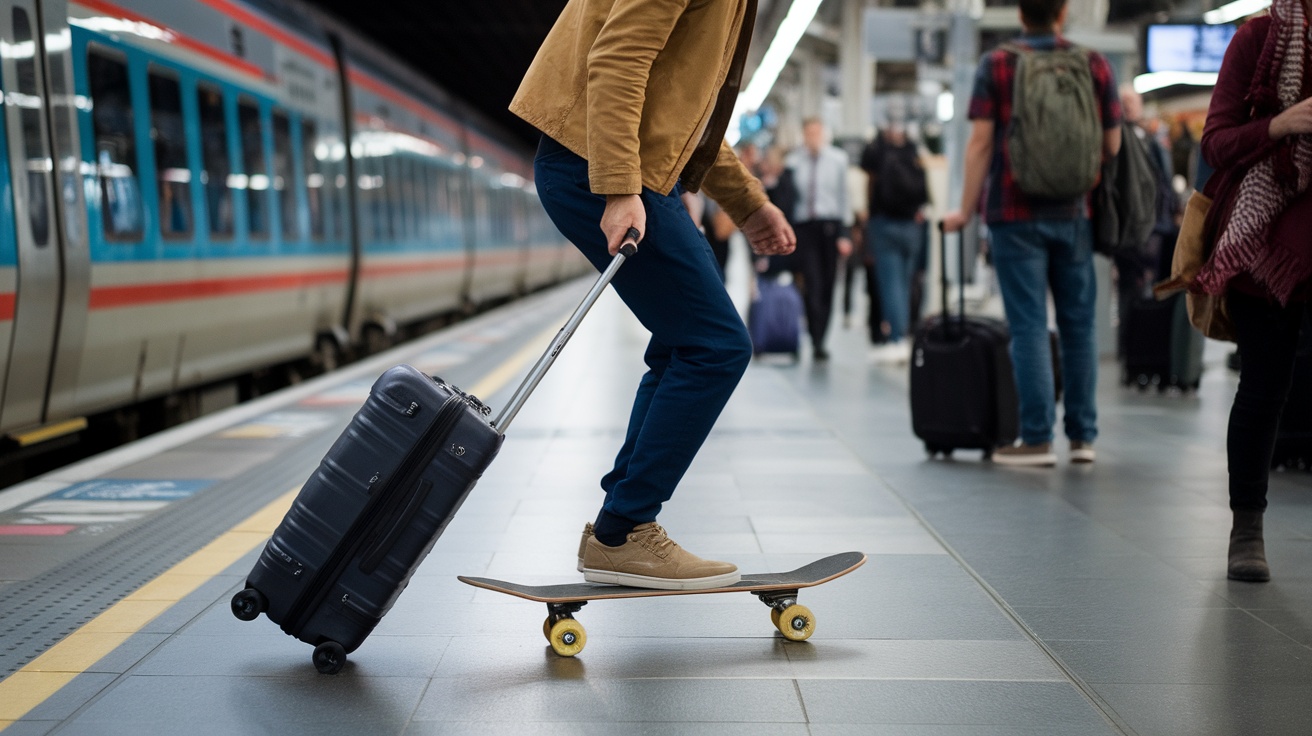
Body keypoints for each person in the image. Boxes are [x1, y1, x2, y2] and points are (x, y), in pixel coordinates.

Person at [510, 0, 796, 590]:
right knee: (715, 345)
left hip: (620, 163)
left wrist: (748, 201)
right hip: (598, 164)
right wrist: (618, 189)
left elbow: (680, 114)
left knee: (682, 343)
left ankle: (619, 530)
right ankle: (625, 530)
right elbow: (617, 58)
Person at [942, 0, 1122, 467]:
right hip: (1074, 212)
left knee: (1028, 327)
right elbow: (1113, 144)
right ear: (1062, 13)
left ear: (1022, 14)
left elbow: (980, 144)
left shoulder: (999, 63)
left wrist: (963, 210)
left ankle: (1037, 438)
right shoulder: (1093, 63)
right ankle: (1082, 438)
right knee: (1079, 326)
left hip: (1012, 211)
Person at [1191, 0, 1312, 582]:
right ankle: (1247, 529)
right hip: (1263, 246)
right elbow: (1215, 143)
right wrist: (1281, 125)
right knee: (1265, 385)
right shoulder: (1258, 37)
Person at [786, 118, 854, 361]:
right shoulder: (794, 162)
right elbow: (789, 198)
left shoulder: (838, 160)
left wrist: (845, 233)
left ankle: (821, 337)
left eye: (817, 132)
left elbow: (845, 196)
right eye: (809, 133)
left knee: (828, 284)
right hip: (805, 228)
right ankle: (814, 335)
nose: (813, 137)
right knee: (812, 282)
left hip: (830, 227)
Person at [862, 124, 930, 363]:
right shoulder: (913, 152)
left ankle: (897, 338)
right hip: (912, 226)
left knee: (891, 285)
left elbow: (869, 186)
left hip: (885, 225)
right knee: (906, 282)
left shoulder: (877, 153)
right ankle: (906, 333)